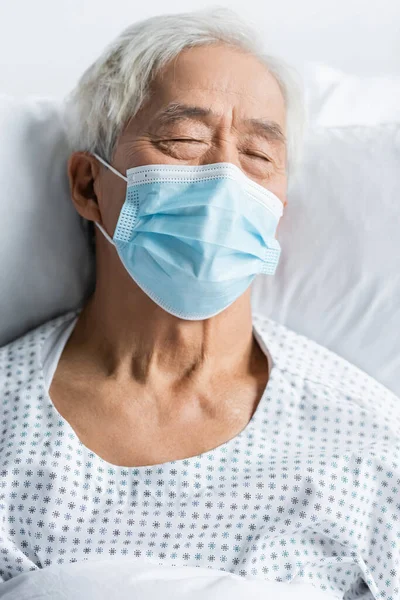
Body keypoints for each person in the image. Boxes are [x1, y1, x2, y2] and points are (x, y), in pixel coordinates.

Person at [0, 8, 399, 599]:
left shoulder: (368, 448)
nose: (226, 180)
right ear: (90, 185)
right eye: (184, 140)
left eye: (259, 156)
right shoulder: (9, 428)